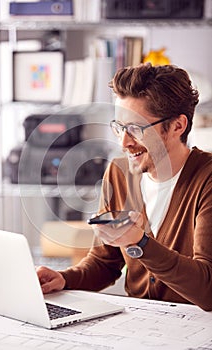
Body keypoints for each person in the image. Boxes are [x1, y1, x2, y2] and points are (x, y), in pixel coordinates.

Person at [36, 63, 212, 311]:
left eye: (135, 129)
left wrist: (141, 244)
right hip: (139, 325)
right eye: (119, 127)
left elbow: (207, 289)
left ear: (177, 126)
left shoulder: (207, 180)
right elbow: (104, 262)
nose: (124, 142)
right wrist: (65, 279)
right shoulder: (119, 173)